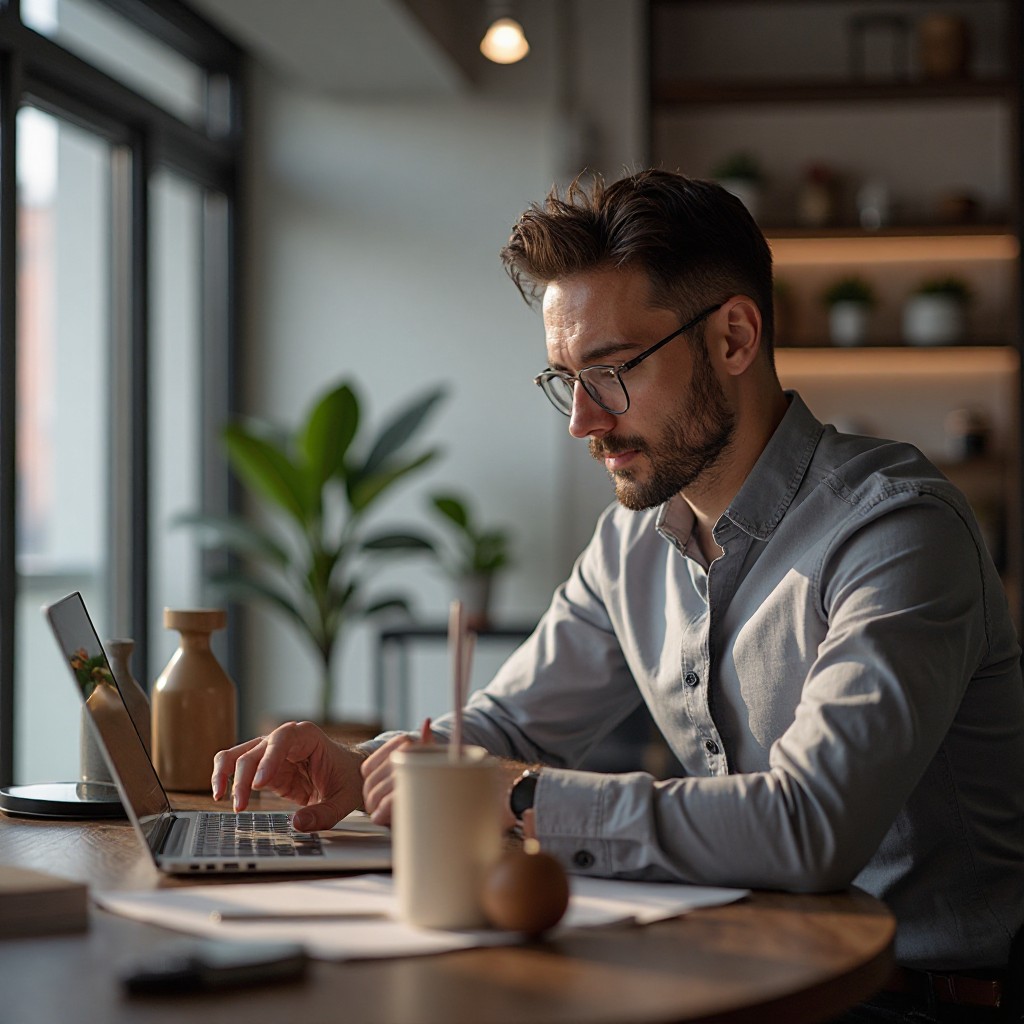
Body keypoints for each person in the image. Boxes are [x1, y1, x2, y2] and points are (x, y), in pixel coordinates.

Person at [212, 169, 1024, 1022]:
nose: (582, 422)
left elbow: (810, 826)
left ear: (735, 339)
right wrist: (374, 765)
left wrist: (521, 796)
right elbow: (508, 727)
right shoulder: (634, 540)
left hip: (919, 1002)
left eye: (611, 370)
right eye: (565, 378)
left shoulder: (897, 532)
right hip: (742, 967)